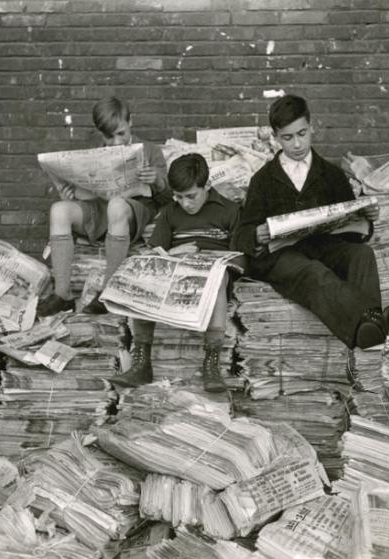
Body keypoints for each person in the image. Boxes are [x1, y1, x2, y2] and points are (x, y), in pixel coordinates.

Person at [232, 94, 389, 349]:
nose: (297, 144)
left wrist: (364, 218)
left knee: (362, 255)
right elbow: (241, 233)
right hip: (282, 256)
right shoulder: (262, 180)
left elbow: (350, 230)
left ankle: (369, 330)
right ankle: (374, 323)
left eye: (302, 133)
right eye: (287, 138)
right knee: (314, 273)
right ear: (275, 136)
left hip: (324, 248)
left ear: (312, 127)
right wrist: (257, 235)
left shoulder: (331, 174)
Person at [110, 153, 241, 393]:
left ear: (207, 186)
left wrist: (211, 261)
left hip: (212, 276)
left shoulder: (229, 211)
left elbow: (241, 256)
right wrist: (175, 252)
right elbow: (154, 252)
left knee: (220, 276)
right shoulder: (170, 212)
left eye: (191, 196)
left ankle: (212, 363)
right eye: (178, 197)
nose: (185, 203)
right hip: (175, 272)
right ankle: (142, 362)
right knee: (145, 275)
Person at [39, 96, 170, 316]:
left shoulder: (149, 150)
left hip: (133, 211)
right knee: (59, 210)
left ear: (131, 122)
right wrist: (69, 194)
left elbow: (167, 198)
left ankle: (108, 293)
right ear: (100, 133)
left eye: (121, 133)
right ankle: (62, 296)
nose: (116, 142)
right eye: (109, 136)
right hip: (99, 209)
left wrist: (156, 180)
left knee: (117, 205)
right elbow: (85, 193)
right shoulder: (93, 153)